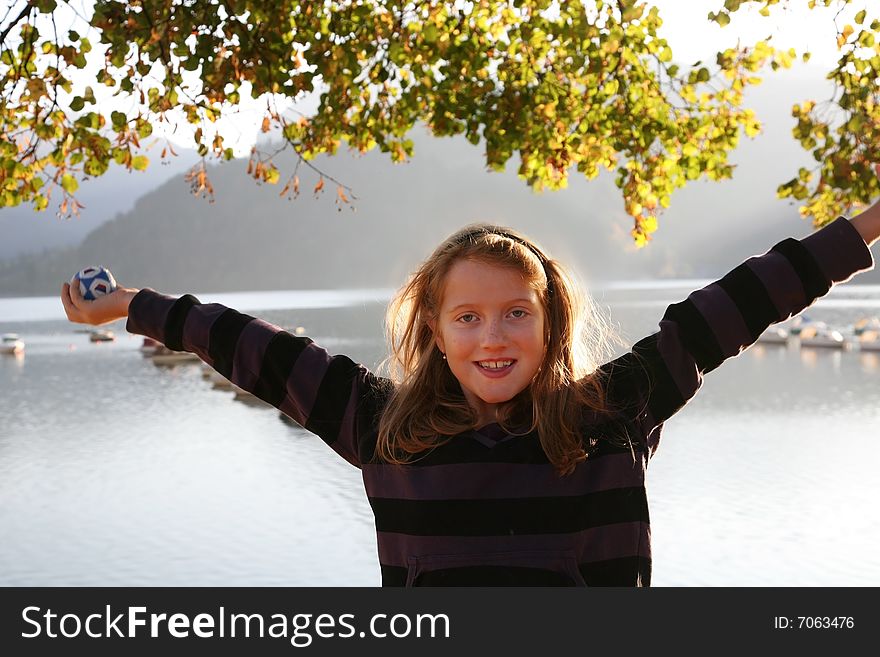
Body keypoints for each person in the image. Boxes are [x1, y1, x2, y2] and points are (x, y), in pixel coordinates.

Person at [61, 192, 880, 586]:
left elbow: (742, 301)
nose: (493, 335)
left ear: (551, 324)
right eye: (469, 317)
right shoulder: (381, 423)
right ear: (436, 333)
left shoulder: (609, 413)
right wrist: (137, 304)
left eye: (516, 312)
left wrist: (869, 222)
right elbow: (255, 348)